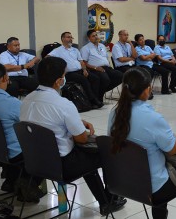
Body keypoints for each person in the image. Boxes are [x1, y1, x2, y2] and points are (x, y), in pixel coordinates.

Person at [20, 57, 126, 214]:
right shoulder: (63, 104)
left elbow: (46, 122)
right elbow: (82, 139)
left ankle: (105, 200)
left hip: (33, 161)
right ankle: (108, 201)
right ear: (58, 81)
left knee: (86, 156)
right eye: (64, 76)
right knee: (104, 152)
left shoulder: (27, 100)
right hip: (61, 165)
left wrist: (76, 121)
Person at [108, 67, 176, 219]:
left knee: (157, 165)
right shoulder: (152, 118)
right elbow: (175, 150)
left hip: (121, 183)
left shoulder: (114, 113)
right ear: (147, 90)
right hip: (151, 189)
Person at [0, 63, 43, 201]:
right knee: (46, 145)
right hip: (12, 153)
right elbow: (33, 124)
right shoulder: (10, 102)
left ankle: (11, 180)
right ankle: (28, 182)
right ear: (5, 78)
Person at [48, 32, 103, 108]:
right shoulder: (58, 50)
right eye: (68, 37)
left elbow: (81, 62)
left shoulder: (75, 50)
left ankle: (94, 100)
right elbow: (47, 58)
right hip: (69, 73)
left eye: (71, 37)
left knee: (95, 78)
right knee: (83, 80)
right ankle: (92, 100)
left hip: (80, 71)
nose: (70, 39)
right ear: (63, 39)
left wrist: (84, 70)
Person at [80, 30, 123, 102]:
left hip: (106, 67)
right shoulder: (85, 48)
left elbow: (106, 58)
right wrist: (95, 67)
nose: (96, 37)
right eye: (93, 36)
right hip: (94, 68)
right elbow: (84, 63)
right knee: (105, 79)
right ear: (89, 38)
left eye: (96, 35)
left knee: (121, 76)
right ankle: (99, 97)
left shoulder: (102, 46)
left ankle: (101, 92)